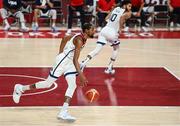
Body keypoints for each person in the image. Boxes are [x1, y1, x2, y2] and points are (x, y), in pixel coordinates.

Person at [13, 23, 95, 122]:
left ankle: (63, 112)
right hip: (63, 62)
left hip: (69, 63)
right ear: (86, 30)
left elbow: (64, 38)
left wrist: (61, 51)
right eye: (92, 29)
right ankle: (20, 88)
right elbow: (75, 59)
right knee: (47, 84)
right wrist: (81, 74)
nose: (93, 31)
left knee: (72, 85)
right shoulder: (79, 40)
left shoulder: (81, 37)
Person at [81, 1, 132, 74]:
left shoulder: (116, 8)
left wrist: (112, 22)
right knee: (116, 49)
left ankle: (84, 62)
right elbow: (121, 17)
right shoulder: (128, 13)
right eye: (129, 6)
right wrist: (120, 29)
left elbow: (106, 18)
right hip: (112, 32)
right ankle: (109, 67)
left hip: (104, 30)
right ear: (124, 5)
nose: (130, 8)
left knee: (97, 49)